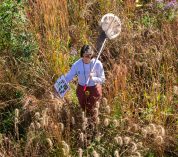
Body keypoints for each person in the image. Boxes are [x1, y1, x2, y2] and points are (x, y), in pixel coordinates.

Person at [65, 45, 105, 117]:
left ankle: (93, 124)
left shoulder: (97, 64)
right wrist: (60, 84)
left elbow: (102, 79)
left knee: (93, 110)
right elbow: (69, 77)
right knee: (84, 109)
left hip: (94, 88)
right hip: (82, 88)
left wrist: (94, 78)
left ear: (92, 55)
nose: (87, 58)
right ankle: (85, 122)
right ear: (82, 55)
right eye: (85, 55)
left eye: (89, 56)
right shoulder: (77, 65)